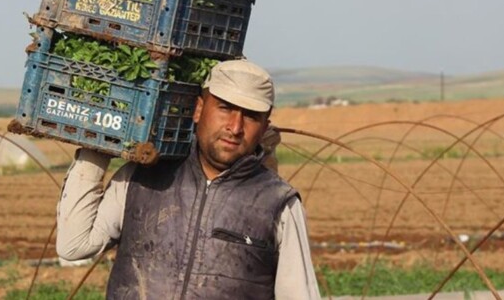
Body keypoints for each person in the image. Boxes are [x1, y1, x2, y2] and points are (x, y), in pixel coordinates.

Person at [56, 59, 320, 299]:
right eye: (225, 108)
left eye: (251, 116)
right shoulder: (142, 177)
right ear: (198, 109)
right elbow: (74, 246)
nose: (235, 127)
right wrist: (96, 143)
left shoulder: (278, 203)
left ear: (264, 126)